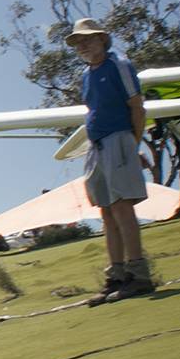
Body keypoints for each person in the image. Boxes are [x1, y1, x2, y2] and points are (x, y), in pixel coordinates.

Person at [68, 19, 154, 303]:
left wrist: (132, 144)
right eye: (79, 42)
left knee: (122, 208)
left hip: (119, 139)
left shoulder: (119, 65)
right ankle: (116, 275)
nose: (83, 45)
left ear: (103, 39)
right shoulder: (86, 75)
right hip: (97, 146)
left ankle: (139, 275)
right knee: (106, 210)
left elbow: (136, 106)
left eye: (88, 39)